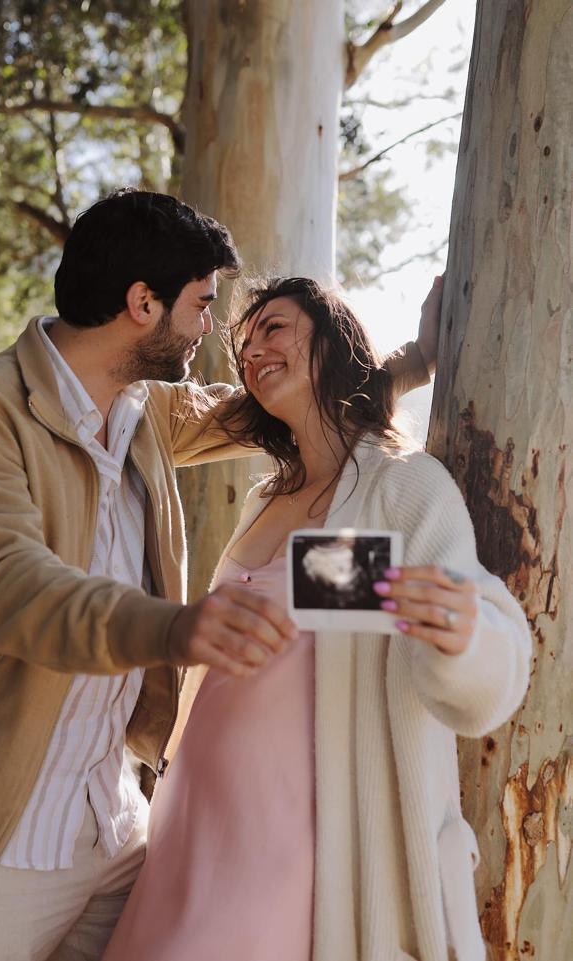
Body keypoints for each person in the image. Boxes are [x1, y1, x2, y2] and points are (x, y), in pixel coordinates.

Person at [0, 192, 434, 961]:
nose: (215, 332)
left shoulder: (159, 417)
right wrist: (173, 626)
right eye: (204, 306)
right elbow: (10, 588)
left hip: (122, 826)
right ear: (143, 302)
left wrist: (416, 360)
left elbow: (285, 400)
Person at [101, 277, 531, 961]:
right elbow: (299, 617)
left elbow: (487, 652)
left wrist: (465, 637)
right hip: (192, 822)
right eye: (244, 343)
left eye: (274, 327)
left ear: (331, 340)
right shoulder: (273, 496)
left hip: (296, 843)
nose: (253, 350)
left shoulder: (397, 487)